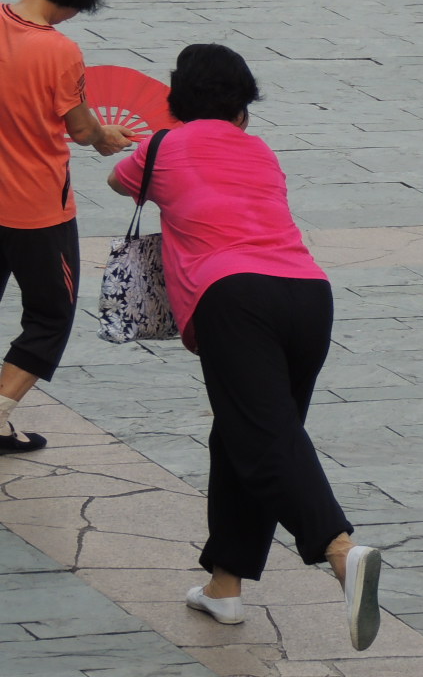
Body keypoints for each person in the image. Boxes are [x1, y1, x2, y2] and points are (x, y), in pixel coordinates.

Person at [108, 45, 382, 651]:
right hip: (309, 295)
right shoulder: (259, 149)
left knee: (263, 439)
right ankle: (225, 585)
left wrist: (140, 139)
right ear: (243, 108)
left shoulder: (161, 147)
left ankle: (341, 551)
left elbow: (119, 178)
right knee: (248, 434)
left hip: (234, 297)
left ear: (177, 99)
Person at [0, 0, 132, 454]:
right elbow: (81, 131)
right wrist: (108, 137)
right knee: (51, 314)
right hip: (36, 207)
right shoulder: (59, 51)